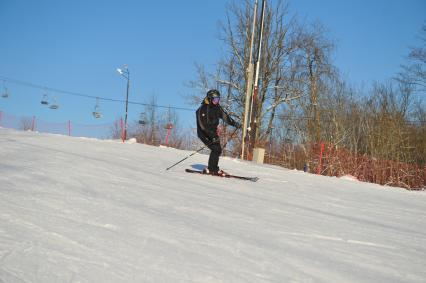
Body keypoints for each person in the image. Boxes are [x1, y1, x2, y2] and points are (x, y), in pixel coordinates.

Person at [196, 89, 240, 176]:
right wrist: (212, 135)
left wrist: (235, 124)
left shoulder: (217, 108)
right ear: (209, 98)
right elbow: (202, 126)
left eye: (218, 99)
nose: (217, 101)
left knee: (217, 149)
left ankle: (212, 168)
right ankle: (212, 169)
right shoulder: (202, 109)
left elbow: (225, 117)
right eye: (215, 99)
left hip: (213, 133)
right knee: (216, 149)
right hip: (204, 133)